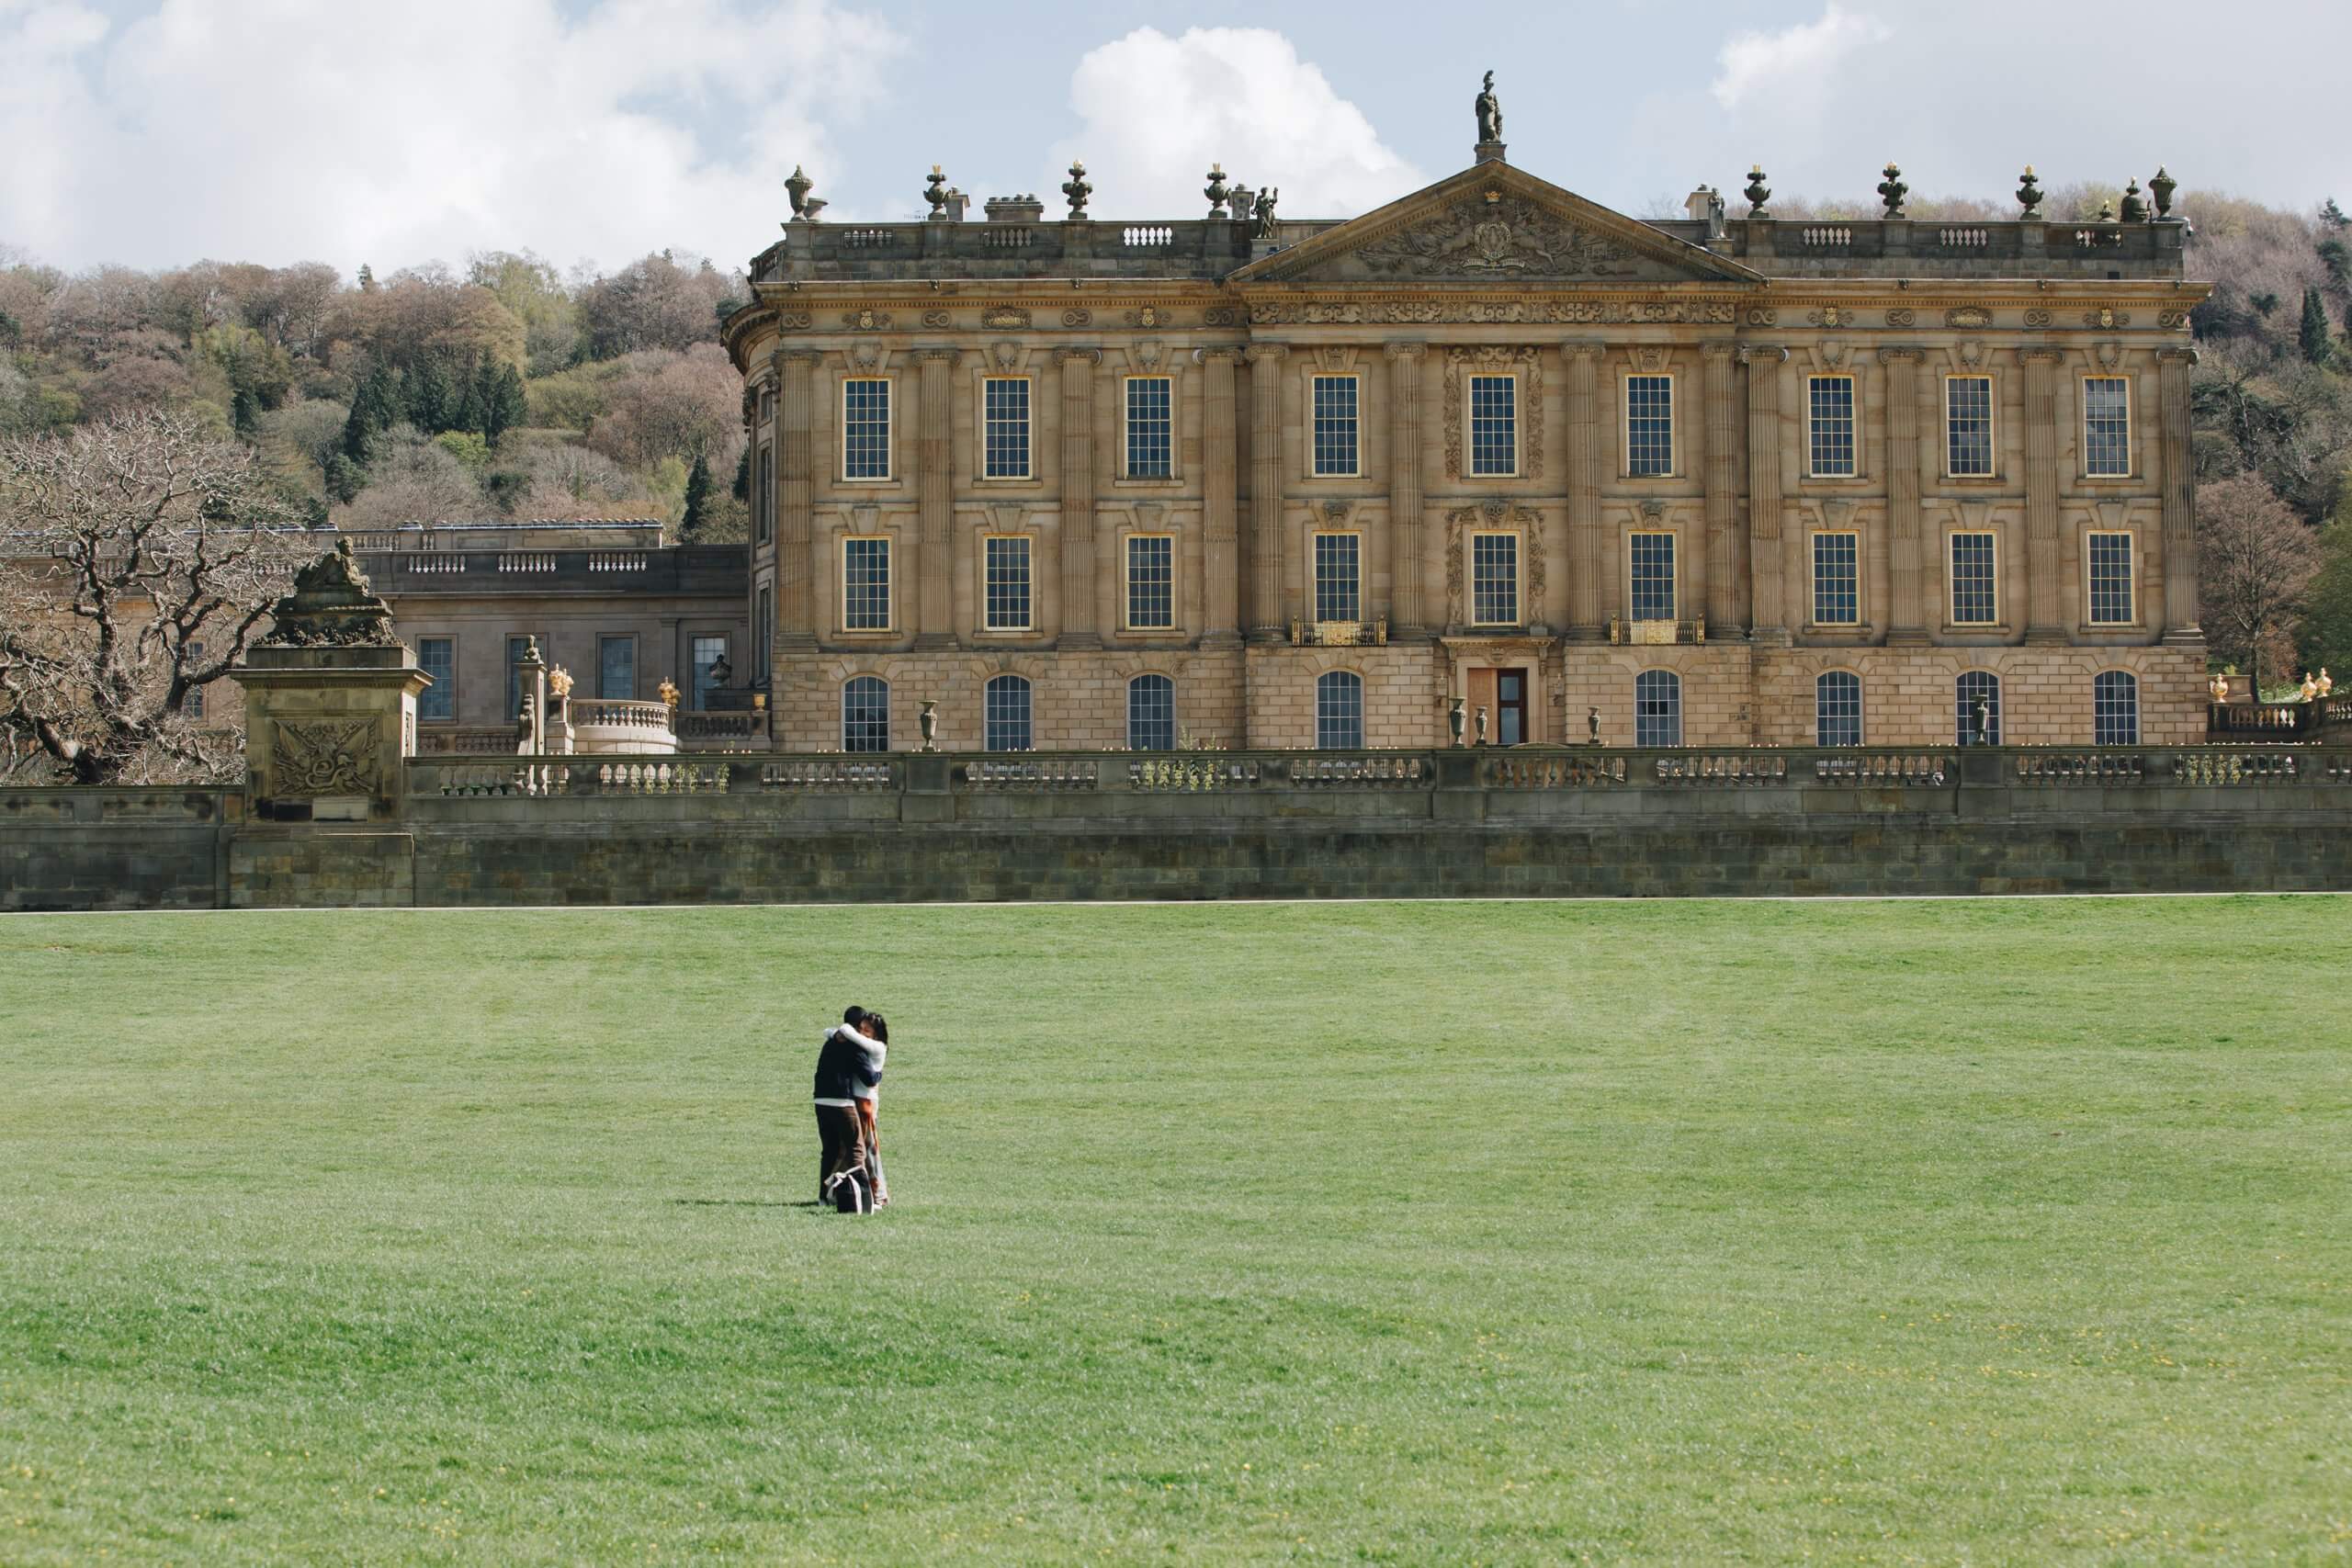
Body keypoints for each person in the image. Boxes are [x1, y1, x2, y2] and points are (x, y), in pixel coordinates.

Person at [813, 1006, 886, 1206]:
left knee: (830, 1151)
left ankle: (824, 1197)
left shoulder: (830, 1042)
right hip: (842, 1102)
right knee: (857, 1149)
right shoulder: (853, 1046)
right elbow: (869, 1079)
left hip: (820, 1099)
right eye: (861, 1028)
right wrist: (880, 1074)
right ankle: (863, 1196)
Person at [854, 1012, 890, 1207]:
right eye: (860, 1029)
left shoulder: (877, 1046)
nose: (862, 1033)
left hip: (866, 1102)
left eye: (866, 1030)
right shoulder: (865, 1045)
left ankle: (879, 1195)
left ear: (876, 1034)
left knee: (870, 1149)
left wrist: (846, 1031)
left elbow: (844, 1032)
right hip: (859, 1100)